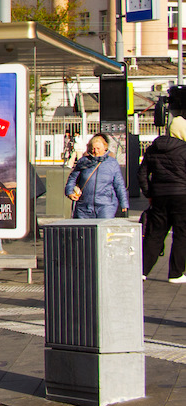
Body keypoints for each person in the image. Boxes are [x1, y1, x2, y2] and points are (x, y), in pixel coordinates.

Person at [140, 116, 186, 283]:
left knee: (155, 234)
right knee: (181, 234)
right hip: (182, 196)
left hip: (159, 196)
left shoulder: (154, 148)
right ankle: (176, 273)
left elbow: (142, 173)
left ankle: (142, 271)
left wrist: (149, 193)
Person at [65, 133, 129, 219]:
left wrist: (123, 203)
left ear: (105, 148)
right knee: (85, 231)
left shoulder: (112, 163)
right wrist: (69, 191)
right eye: (93, 148)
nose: (96, 151)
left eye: (98, 148)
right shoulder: (83, 162)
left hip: (106, 206)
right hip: (84, 206)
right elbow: (72, 178)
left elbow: (119, 184)